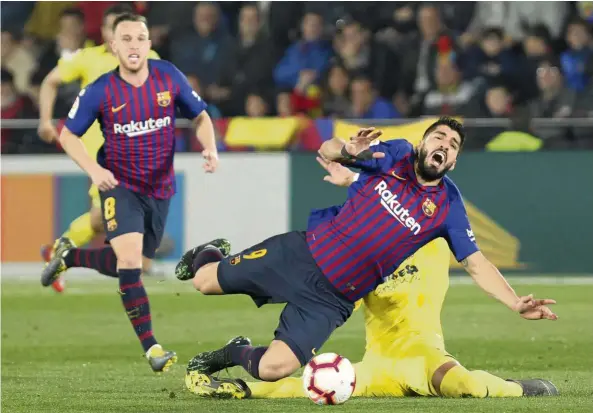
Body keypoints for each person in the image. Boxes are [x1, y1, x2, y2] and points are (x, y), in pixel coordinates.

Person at [175, 117, 557, 386]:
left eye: (453, 145)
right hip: (301, 254)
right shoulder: (395, 154)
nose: (444, 145)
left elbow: (476, 263)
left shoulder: (448, 206)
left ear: (454, 161)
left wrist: (513, 303)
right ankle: (208, 251)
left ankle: (233, 353)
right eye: (439, 137)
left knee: (274, 368)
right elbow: (328, 149)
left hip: (332, 300)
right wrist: (347, 149)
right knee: (204, 282)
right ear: (424, 143)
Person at [39, 13, 218, 373]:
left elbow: (200, 115)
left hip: (161, 188)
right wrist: (94, 170)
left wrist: (209, 148)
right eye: (127, 38)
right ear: (114, 45)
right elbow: (68, 134)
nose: (134, 45)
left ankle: (70, 257)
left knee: (134, 264)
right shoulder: (101, 89)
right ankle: (152, 348)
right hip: (119, 187)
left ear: (149, 44)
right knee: (131, 261)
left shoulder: (168, 75)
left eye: (140, 38)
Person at [37, 4, 160, 293]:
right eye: (108, 27)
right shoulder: (87, 58)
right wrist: (44, 120)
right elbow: (49, 82)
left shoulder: (148, 57)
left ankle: (57, 251)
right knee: (109, 214)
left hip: (137, 153)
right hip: (101, 153)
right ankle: (71, 256)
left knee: (102, 217)